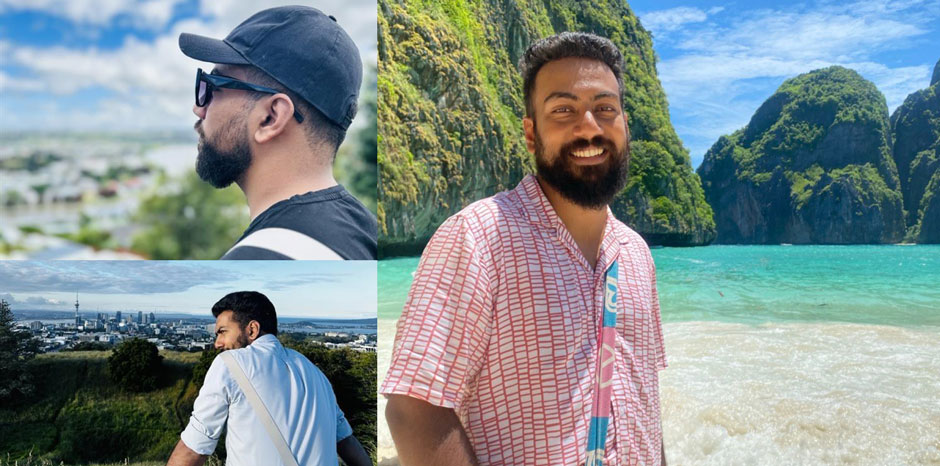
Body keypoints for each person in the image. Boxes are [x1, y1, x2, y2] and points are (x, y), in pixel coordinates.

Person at [381, 32, 668, 465]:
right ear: (531, 134)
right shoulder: (478, 237)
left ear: (625, 124)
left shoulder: (636, 253)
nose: (589, 126)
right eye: (563, 110)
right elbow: (414, 408)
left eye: (605, 108)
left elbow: (643, 400)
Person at [178, 6, 377, 260]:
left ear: (271, 117)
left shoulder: (259, 261)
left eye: (212, 86)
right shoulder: (366, 234)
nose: (198, 108)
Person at [167, 291, 371, 466]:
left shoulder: (229, 364)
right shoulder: (315, 372)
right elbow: (347, 442)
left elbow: (193, 449)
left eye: (222, 332)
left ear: (252, 329)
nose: (217, 343)